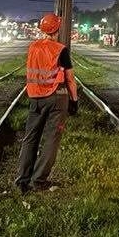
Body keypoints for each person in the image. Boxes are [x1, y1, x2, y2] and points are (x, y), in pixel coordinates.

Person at [15, 12, 78, 193]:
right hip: (57, 98)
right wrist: (74, 100)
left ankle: (22, 179)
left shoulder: (32, 47)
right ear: (57, 29)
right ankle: (39, 180)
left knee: (30, 138)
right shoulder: (60, 49)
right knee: (51, 139)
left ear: (42, 29)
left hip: (35, 98)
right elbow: (70, 79)